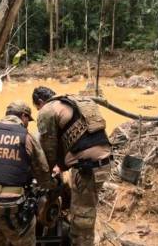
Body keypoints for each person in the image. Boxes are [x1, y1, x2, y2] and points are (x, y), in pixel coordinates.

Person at [0, 100, 58, 246]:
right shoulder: (27, 136)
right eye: (28, 119)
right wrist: (52, 185)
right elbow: (43, 173)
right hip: (10, 205)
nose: (28, 123)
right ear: (23, 116)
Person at [32, 86, 112, 245]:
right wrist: (61, 166)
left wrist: (45, 177)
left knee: (82, 217)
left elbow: (48, 150)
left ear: (40, 102)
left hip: (88, 168)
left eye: (37, 108)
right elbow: (77, 140)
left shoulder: (47, 110)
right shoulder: (71, 102)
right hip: (103, 161)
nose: (39, 111)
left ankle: (81, 242)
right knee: (86, 209)